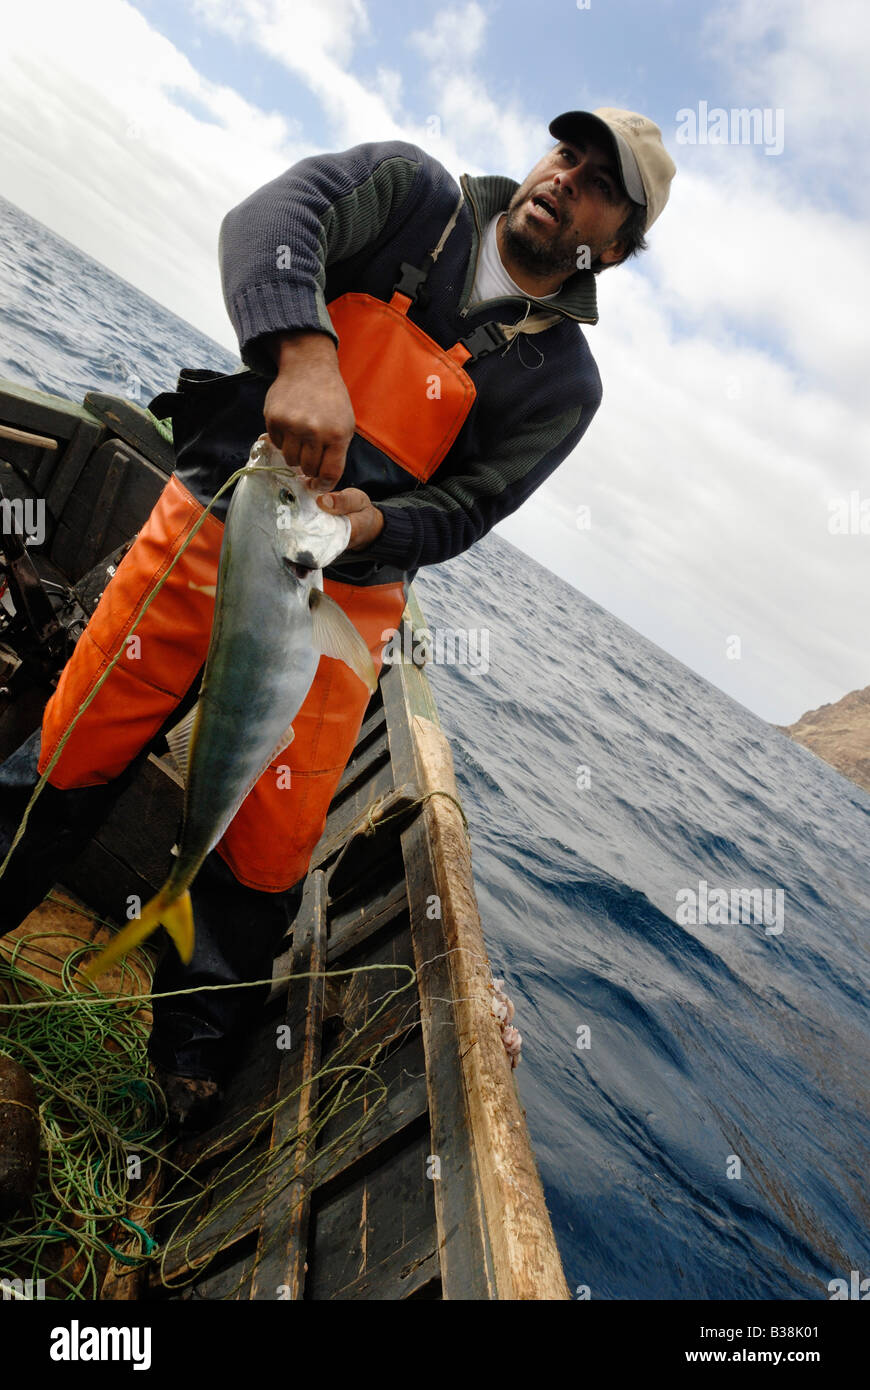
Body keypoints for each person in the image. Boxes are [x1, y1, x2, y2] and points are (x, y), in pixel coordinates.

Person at [0, 107, 675, 1131]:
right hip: (219, 523)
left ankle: (174, 1088)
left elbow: (471, 505)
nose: (563, 178)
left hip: (345, 598)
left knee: (266, 854)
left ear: (615, 247)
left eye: (596, 186)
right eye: (565, 155)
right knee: (73, 743)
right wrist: (305, 353)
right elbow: (273, 219)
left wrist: (375, 524)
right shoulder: (415, 196)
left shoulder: (564, 382)